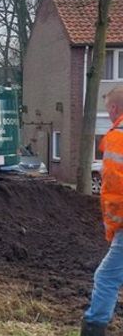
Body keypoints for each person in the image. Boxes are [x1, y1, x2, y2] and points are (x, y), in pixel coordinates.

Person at [82, 85, 123, 336]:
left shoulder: (118, 137)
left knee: (106, 277)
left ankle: (93, 329)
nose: (108, 115)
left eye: (108, 109)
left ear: (115, 108)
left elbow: (116, 188)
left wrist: (115, 226)